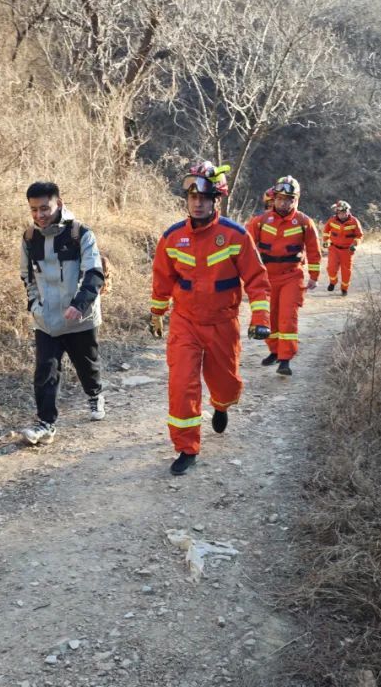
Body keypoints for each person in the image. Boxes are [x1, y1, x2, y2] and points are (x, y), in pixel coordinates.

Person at [150, 161, 272, 475]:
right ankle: (186, 447)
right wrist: (157, 313)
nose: (198, 203)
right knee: (182, 384)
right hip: (185, 322)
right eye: (192, 197)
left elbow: (257, 280)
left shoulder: (235, 235)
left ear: (216, 200)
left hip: (222, 323)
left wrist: (260, 317)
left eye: (204, 197)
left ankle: (221, 404)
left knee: (226, 383)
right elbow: (162, 279)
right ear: (187, 200)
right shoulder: (172, 238)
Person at [19, 181, 106, 445]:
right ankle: (46, 424)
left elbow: (94, 273)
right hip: (46, 320)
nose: (39, 215)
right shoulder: (29, 238)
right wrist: (35, 306)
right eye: (34, 209)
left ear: (59, 203)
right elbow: (27, 277)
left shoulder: (80, 234)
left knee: (86, 365)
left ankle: (95, 394)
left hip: (81, 318)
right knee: (45, 371)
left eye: (44, 208)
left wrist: (78, 305)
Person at [245, 175, 322, 375]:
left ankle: (285, 359)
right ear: (274, 198)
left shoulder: (304, 222)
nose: (283, 203)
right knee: (269, 318)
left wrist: (314, 275)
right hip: (267, 277)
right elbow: (245, 247)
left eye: (288, 199)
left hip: (292, 276)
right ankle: (275, 351)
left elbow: (314, 250)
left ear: (295, 200)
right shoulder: (260, 221)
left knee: (288, 317)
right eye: (280, 198)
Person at [323, 199, 364, 296]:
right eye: (341, 213)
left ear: (348, 211)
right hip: (334, 249)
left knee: (346, 271)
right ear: (337, 212)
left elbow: (359, 235)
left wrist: (354, 244)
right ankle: (333, 282)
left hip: (347, 251)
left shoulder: (354, 222)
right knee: (331, 268)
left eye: (345, 212)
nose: (343, 214)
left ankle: (344, 289)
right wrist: (326, 241)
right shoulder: (332, 220)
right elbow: (326, 231)